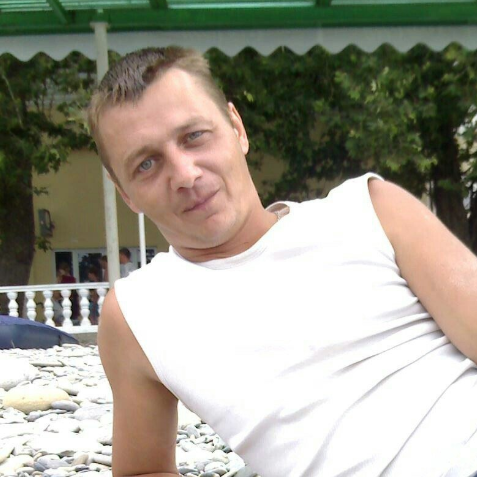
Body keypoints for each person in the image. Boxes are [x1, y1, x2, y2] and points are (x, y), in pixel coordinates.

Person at [87, 47, 477, 477]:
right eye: (146, 163)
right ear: (126, 193)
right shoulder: (138, 313)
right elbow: (141, 470)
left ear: (237, 128)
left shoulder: (370, 210)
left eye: (194, 136)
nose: (185, 174)